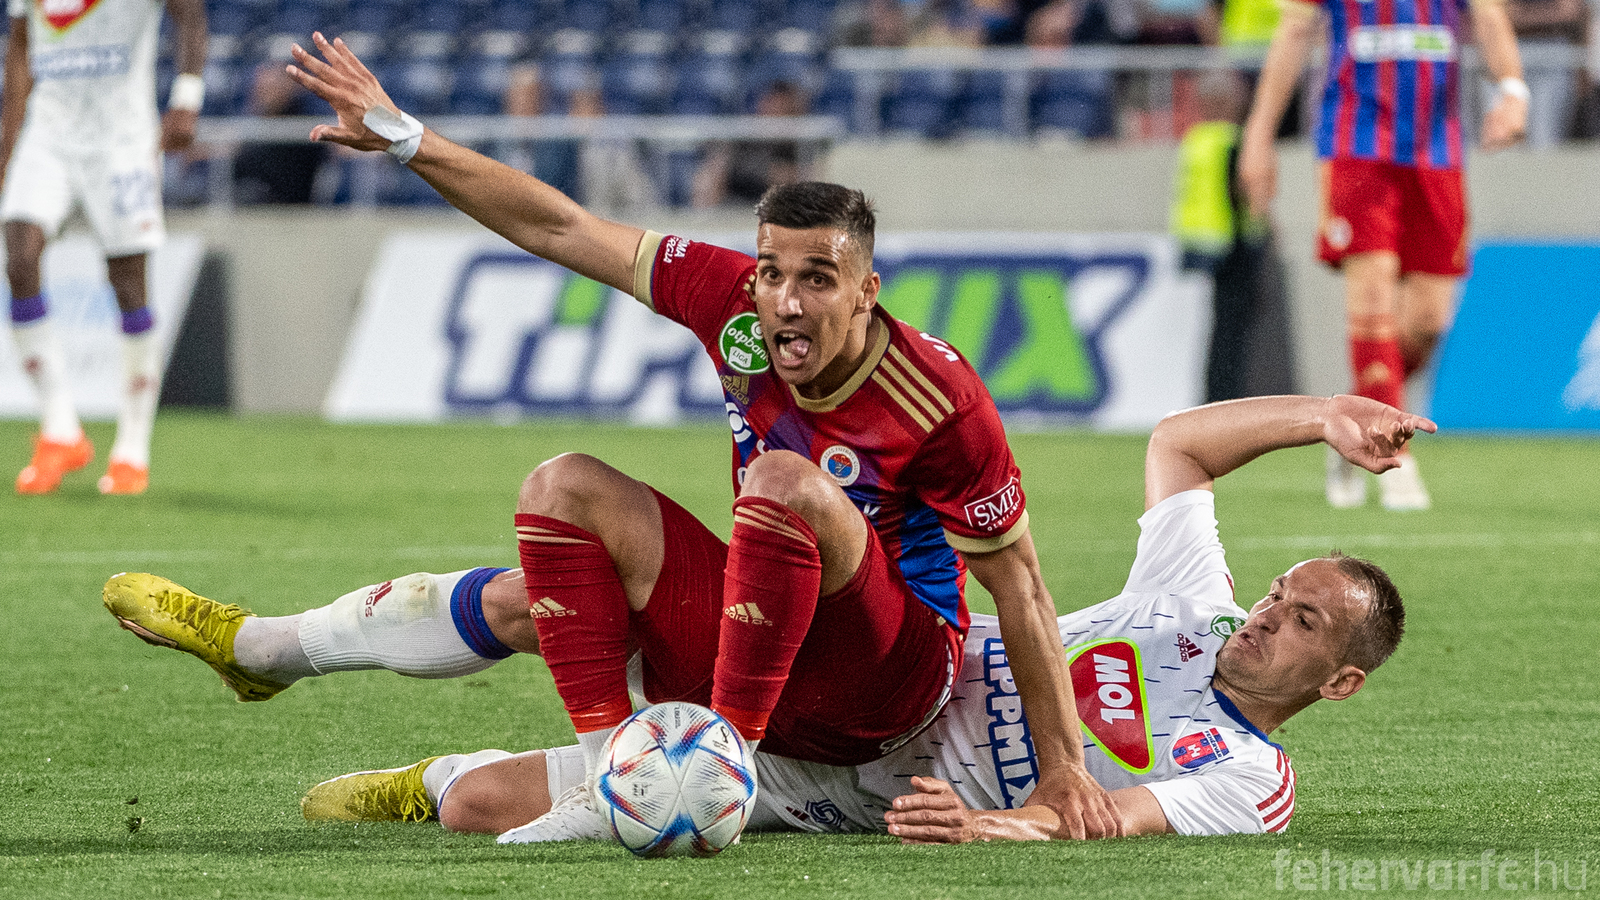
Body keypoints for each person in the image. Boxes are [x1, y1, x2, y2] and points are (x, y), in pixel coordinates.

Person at [215, 31, 1116, 842]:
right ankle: (606, 775)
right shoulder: (731, 303)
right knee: (562, 487)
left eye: (818, 278)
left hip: (886, 683)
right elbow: (562, 226)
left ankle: (718, 765)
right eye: (771, 273)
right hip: (768, 642)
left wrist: (1064, 768)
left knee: (781, 482)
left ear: (866, 291)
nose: (787, 300)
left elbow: (1021, 586)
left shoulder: (937, 398)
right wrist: (410, 139)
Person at [103, 392, 1428, 842]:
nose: (1267, 616)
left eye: (1305, 624)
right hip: (881, 667)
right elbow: (1178, 447)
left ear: (1340, 683)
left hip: (860, 782)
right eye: (1283, 591)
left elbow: (1113, 817)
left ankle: (424, 782)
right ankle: (268, 647)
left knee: (481, 811)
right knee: (545, 584)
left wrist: (988, 824)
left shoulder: (1247, 774)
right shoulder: (1191, 606)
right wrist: (1320, 415)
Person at [1237, 0, 1527, 511]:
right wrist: (1258, 136)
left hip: (1437, 153)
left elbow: (1489, 15)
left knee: (1428, 322)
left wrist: (1513, 91)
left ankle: (1348, 423)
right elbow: (1293, 35)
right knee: (1371, 300)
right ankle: (1397, 458)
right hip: (1355, 147)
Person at [2, 0, 207, 495]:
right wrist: (7, 146)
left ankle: (132, 450)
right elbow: (21, 50)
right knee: (20, 259)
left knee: (128, 285)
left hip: (123, 140)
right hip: (47, 135)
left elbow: (190, 13)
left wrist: (187, 97)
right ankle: (60, 431)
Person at [1171, 69, 1294, 402]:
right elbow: (1244, 192)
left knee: (1219, 332)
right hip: (1235, 247)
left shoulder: (1196, 141)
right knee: (1234, 335)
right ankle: (1227, 400)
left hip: (1204, 247)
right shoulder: (1234, 141)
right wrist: (1269, 225)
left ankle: (1214, 397)